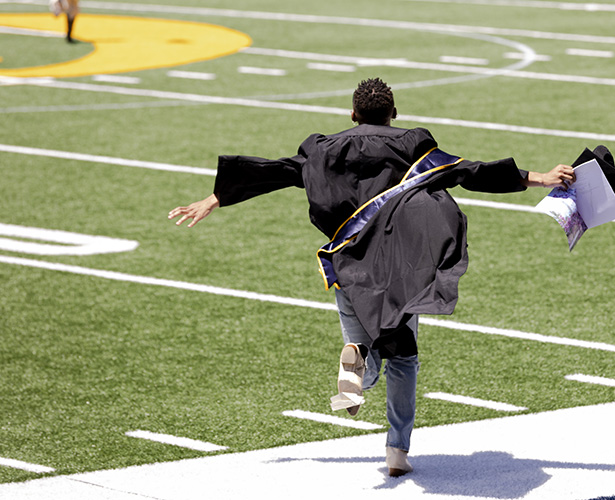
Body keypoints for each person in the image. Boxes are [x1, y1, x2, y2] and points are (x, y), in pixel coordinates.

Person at [168, 77, 576, 477]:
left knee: (362, 342)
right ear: (394, 114)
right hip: (401, 270)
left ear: (352, 113)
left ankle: (360, 367)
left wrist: (215, 198)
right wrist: (539, 176)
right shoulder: (413, 145)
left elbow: (277, 171)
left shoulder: (322, 150)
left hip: (349, 268)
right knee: (405, 356)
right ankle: (397, 449)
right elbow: (467, 172)